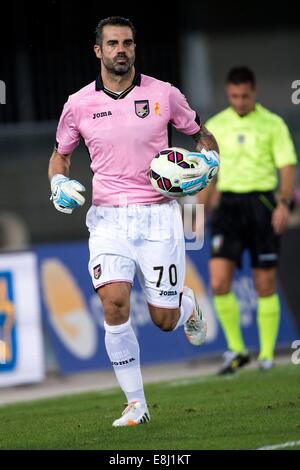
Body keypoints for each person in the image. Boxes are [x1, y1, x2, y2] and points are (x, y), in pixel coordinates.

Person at [48, 16, 220, 426]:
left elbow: (201, 133)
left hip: (159, 218)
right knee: (114, 302)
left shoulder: (164, 94)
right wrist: (58, 181)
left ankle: (186, 303)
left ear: (134, 48)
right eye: (112, 44)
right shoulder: (78, 104)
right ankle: (136, 404)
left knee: (163, 321)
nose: (120, 49)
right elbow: (61, 154)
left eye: (127, 43)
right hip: (107, 218)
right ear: (98, 51)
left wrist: (210, 160)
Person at [199, 66, 297, 374]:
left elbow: (286, 168)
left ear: (253, 92)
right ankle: (237, 350)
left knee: (264, 283)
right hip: (228, 206)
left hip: (262, 204)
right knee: (218, 280)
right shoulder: (215, 126)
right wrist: (197, 213)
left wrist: (284, 204)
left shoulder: (272, 124)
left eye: (244, 96)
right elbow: (207, 176)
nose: (239, 101)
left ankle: (266, 355)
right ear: (228, 94)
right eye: (234, 96)